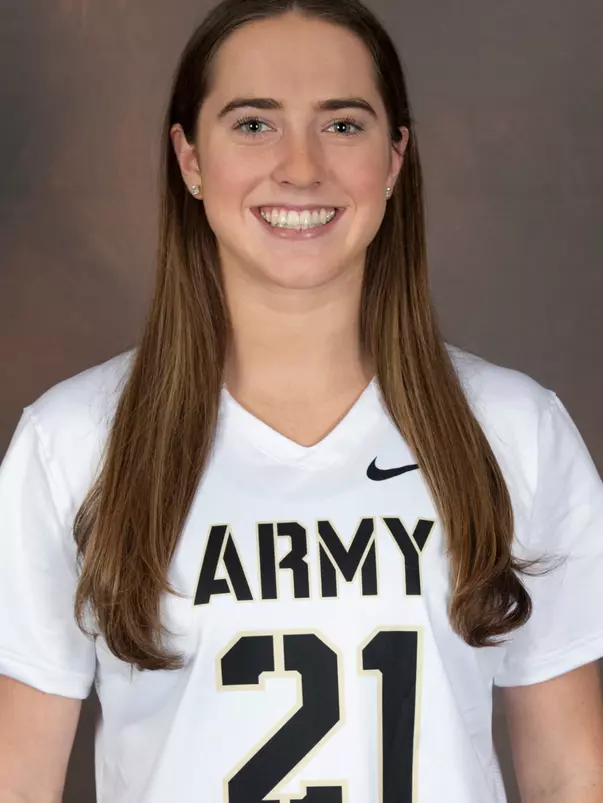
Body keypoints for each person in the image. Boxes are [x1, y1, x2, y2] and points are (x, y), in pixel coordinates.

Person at [1, 0, 603, 800]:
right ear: (188, 158)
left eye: (342, 125)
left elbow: (571, 774)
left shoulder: (513, 430)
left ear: (394, 160)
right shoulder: (72, 443)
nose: (299, 166)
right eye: (253, 124)